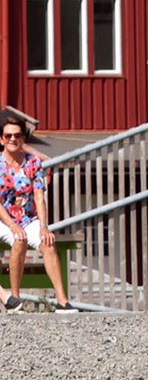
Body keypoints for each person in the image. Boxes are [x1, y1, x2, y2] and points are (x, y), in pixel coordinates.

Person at [0, 122, 74, 313]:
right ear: (2, 139)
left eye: (17, 135)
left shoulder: (33, 162)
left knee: (48, 242)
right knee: (19, 238)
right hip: (3, 219)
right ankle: (13, 298)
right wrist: (11, 224)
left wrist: (43, 225)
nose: (13, 139)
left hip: (26, 217)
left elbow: (39, 196)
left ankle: (62, 301)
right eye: (8, 136)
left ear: (23, 139)